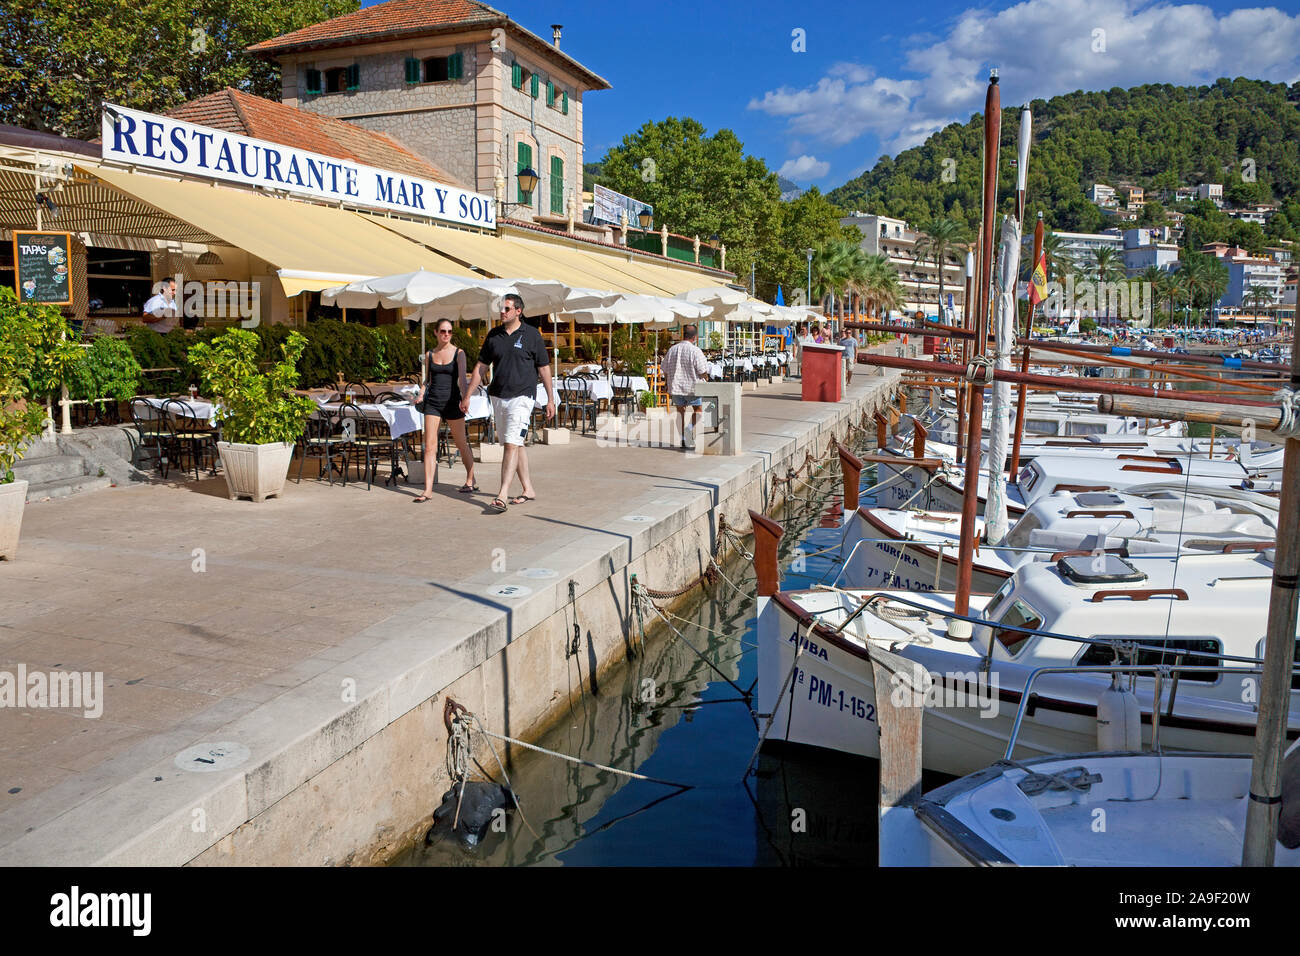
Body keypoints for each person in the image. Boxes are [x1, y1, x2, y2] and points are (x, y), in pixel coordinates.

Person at [461, 294, 555, 511]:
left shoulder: (532, 335)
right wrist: (467, 395)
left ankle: (502, 494)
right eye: (501, 309)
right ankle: (528, 488)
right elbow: (481, 367)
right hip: (498, 396)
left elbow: (544, 368)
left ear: (518, 311)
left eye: (506, 309)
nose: (502, 312)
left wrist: (550, 399)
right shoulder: (494, 335)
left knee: (511, 444)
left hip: (523, 396)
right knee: (514, 444)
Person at [413, 318, 476, 502]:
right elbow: (427, 380)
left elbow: (463, 381)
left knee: (461, 443)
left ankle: (470, 478)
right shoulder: (429, 354)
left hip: (452, 402)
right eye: (442, 331)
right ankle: (428, 490)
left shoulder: (459, 353)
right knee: (429, 447)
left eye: (449, 331)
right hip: (433, 403)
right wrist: (421, 393)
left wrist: (466, 399)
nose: (446, 334)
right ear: (436, 332)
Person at [661, 324, 710, 449]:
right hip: (692, 387)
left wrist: (667, 383)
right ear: (694, 337)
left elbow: (665, 369)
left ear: (683, 335)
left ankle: (682, 437)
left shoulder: (672, 349)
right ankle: (689, 429)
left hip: (676, 386)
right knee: (698, 410)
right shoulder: (695, 351)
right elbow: (701, 370)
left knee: (680, 412)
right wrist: (706, 377)